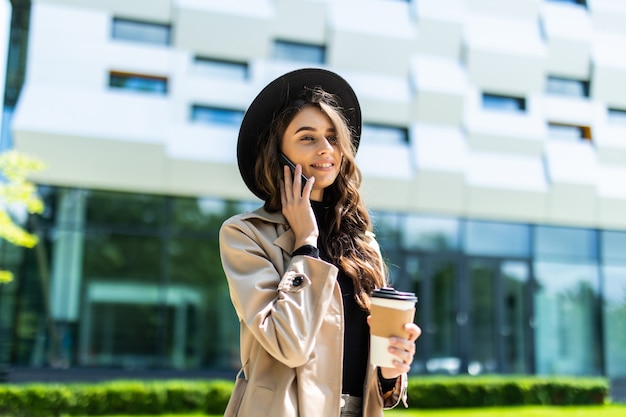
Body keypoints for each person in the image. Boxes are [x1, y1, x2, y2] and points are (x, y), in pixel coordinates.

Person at [219, 68, 421, 417]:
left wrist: (391, 370)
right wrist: (306, 244)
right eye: (307, 137)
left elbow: (375, 381)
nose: (326, 149)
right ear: (277, 152)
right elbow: (288, 344)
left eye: (332, 137)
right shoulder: (246, 235)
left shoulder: (361, 242)